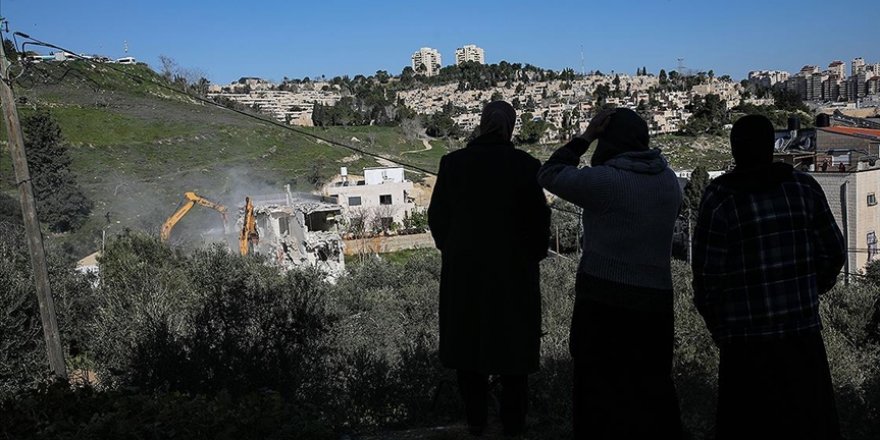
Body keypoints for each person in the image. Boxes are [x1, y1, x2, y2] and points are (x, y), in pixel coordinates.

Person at [691, 115, 846, 440]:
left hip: (745, 352)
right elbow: (834, 253)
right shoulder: (804, 188)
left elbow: (707, 281)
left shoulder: (719, 199)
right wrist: (808, 292)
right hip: (802, 344)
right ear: (772, 146)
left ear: (734, 150)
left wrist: (722, 330)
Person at [537, 108, 683, 438]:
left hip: (603, 300)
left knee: (598, 393)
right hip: (656, 301)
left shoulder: (605, 182)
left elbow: (549, 173)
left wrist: (585, 136)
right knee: (653, 389)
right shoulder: (669, 182)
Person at [428, 100, 551, 436]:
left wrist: (455, 252)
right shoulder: (526, 166)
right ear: (510, 127)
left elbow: (437, 218)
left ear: (481, 125)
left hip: (465, 276)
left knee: (469, 351)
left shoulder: (452, 163)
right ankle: (513, 425)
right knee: (514, 355)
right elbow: (540, 224)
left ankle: (476, 423)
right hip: (514, 277)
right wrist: (529, 257)